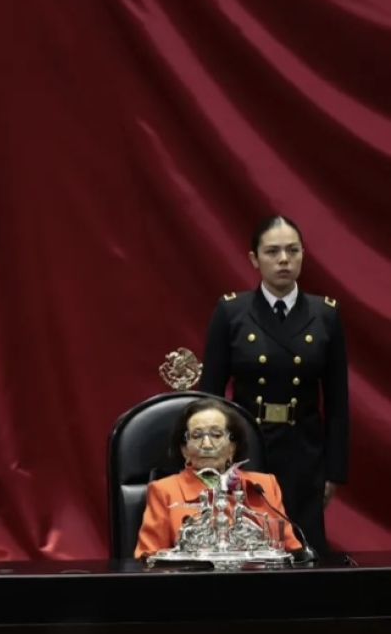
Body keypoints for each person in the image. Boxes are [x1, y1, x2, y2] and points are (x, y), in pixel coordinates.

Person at [199, 215, 349, 555]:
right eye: (273, 251)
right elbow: (211, 398)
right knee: (246, 551)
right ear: (254, 259)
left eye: (292, 250)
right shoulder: (232, 313)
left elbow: (338, 404)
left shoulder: (325, 315)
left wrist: (334, 471)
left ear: (303, 255)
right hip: (247, 451)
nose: (284, 259)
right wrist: (213, 462)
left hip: (304, 452)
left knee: (302, 549)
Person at [135, 398, 302, 559]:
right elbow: (148, 558)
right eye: (197, 435)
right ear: (185, 450)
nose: (206, 444)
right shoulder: (164, 491)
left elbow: (291, 552)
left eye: (216, 435)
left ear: (232, 447)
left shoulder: (264, 486)